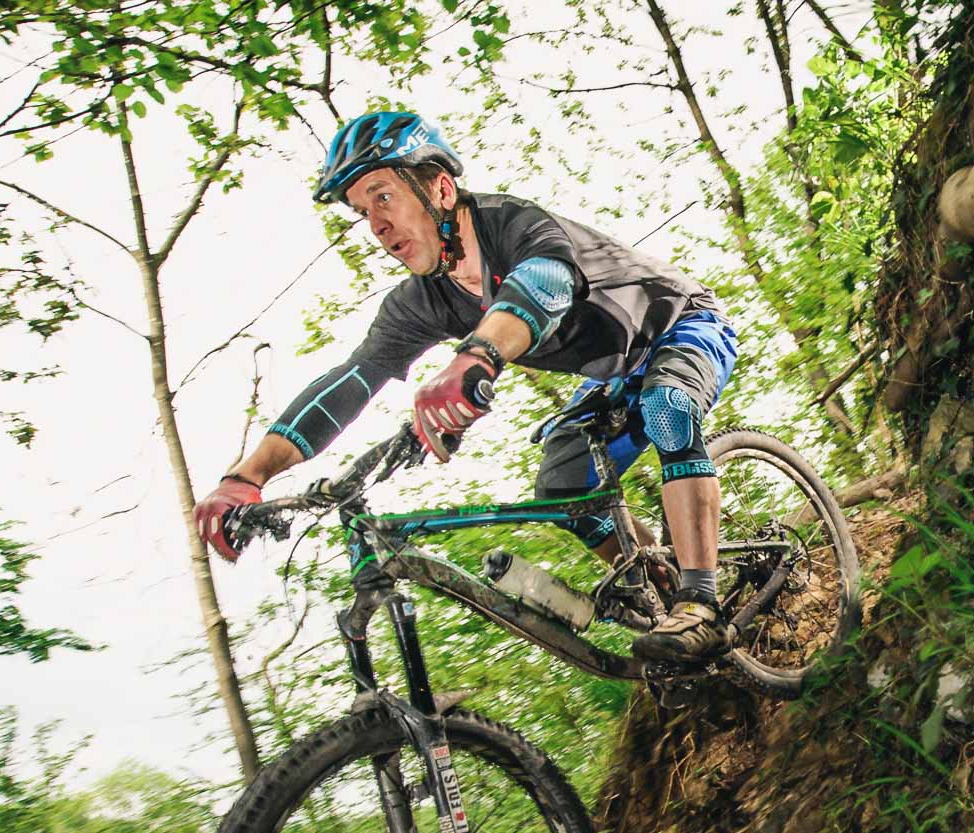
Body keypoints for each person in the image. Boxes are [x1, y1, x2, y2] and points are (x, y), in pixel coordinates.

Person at [192, 109, 739, 663]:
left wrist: (476, 357)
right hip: (615, 373)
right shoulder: (422, 301)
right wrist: (247, 476)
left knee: (667, 407)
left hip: (683, 325)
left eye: (383, 197)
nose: (376, 226)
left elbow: (546, 280)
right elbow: (352, 380)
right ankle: (660, 583)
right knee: (563, 490)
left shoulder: (512, 224)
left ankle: (702, 605)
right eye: (362, 212)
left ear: (441, 188)